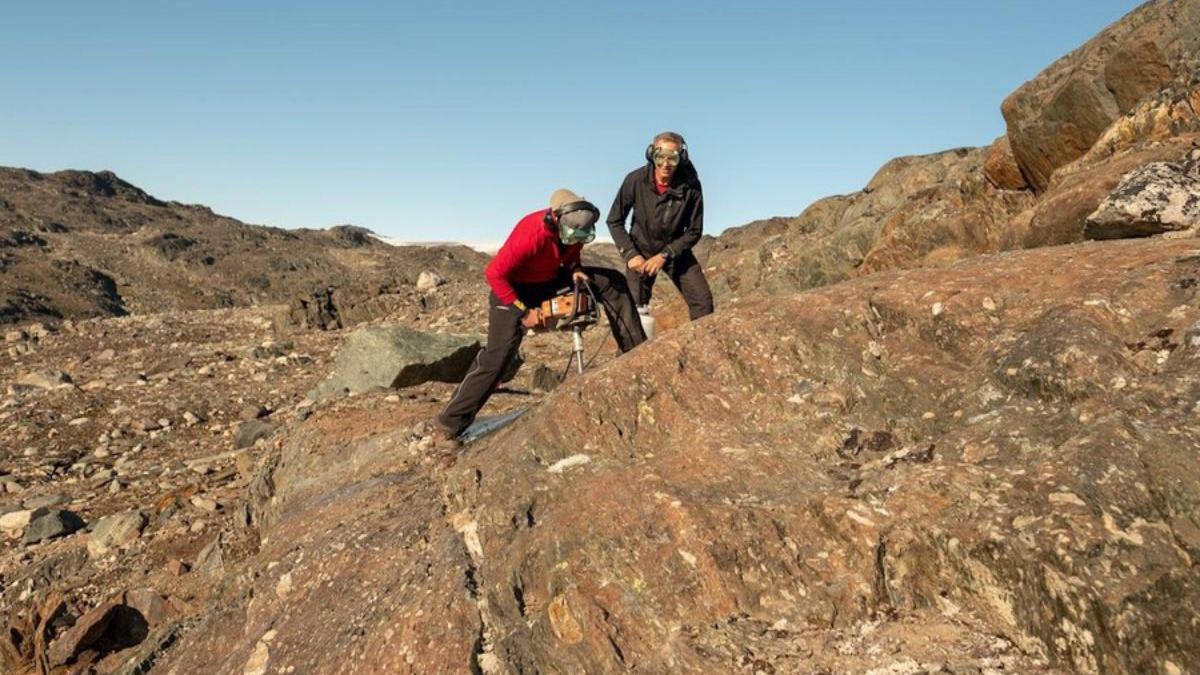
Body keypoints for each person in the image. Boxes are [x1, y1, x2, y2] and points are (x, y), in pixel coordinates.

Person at [433, 189, 646, 446]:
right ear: (555, 219)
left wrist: (576, 269)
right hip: (512, 289)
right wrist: (523, 311)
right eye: (573, 232)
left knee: (613, 282)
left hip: (547, 280)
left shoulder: (577, 225)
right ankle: (449, 423)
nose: (576, 237)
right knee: (498, 355)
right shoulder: (531, 234)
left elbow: (571, 251)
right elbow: (494, 274)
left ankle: (637, 357)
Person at [607, 131, 714, 321]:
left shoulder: (691, 186)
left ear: (681, 158)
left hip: (676, 251)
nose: (665, 164)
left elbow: (694, 230)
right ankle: (632, 351)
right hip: (641, 250)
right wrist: (631, 254)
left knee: (703, 302)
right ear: (651, 154)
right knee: (633, 311)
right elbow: (614, 221)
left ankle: (704, 348)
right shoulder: (635, 180)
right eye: (660, 157)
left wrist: (666, 254)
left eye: (672, 158)